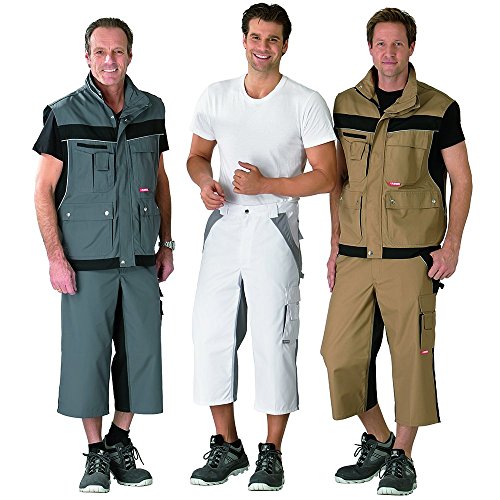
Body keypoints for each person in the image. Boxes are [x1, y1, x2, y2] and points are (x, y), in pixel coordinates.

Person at [321, 7, 472, 496]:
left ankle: (403, 458)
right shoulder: (345, 104)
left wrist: (452, 245)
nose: (389, 52)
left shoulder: (439, 107)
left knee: (411, 359)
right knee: (338, 355)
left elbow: (462, 179)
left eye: (398, 44)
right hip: (355, 254)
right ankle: (381, 440)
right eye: (381, 44)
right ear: (370, 48)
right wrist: (334, 243)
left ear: (411, 48)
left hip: (412, 258)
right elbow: (338, 180)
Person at [187, 2, 336, 492]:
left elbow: (327, 176)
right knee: (211, 332)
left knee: (275, 338)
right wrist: (205, 183)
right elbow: (197, 156)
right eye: (255, 37)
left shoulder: (304, 101)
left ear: (285, 45)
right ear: (244, 40)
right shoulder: (217, 95)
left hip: (274, 227)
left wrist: (267, 184)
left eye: (272, 39)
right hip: (225, 225)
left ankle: (271, 452)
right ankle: (228, 445)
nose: (263, 47)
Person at [33, 18, 174, 493]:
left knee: (142, 355)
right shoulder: (63, 113)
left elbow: (160, 179)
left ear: (130, 55)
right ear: (87, 56)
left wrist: (166, 243)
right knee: (86, 358)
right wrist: (56, 257)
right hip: (86, 264)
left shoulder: (152, 108)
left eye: (117, 51)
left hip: (139, 260)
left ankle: (119, 439)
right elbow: (43, 190)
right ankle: (95, 452)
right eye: (100, 51)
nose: (109, 60)